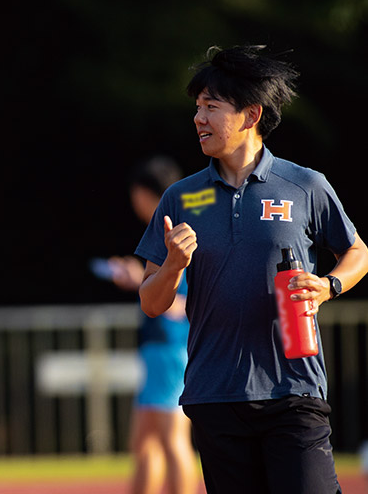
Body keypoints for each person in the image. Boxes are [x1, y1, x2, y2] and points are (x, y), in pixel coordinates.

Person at [135, 45, 368, 493]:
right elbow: (150, 300)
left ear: (250, 115)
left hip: (293, 390)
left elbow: (357, 252)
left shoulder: (305, 184)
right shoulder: (181, 198)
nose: (199, 118)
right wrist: (173, 266)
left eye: (212, 107)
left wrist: (328, 285)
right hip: (215, 395)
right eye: (197, 107)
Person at [104, 156, 197, 494]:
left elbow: (188, 302)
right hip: (160, 349)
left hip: (173, 348)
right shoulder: (170, 233)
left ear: (148, 194)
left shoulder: (176, 235)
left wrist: (139, 282)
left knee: (173, 440)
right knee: (145, 441)